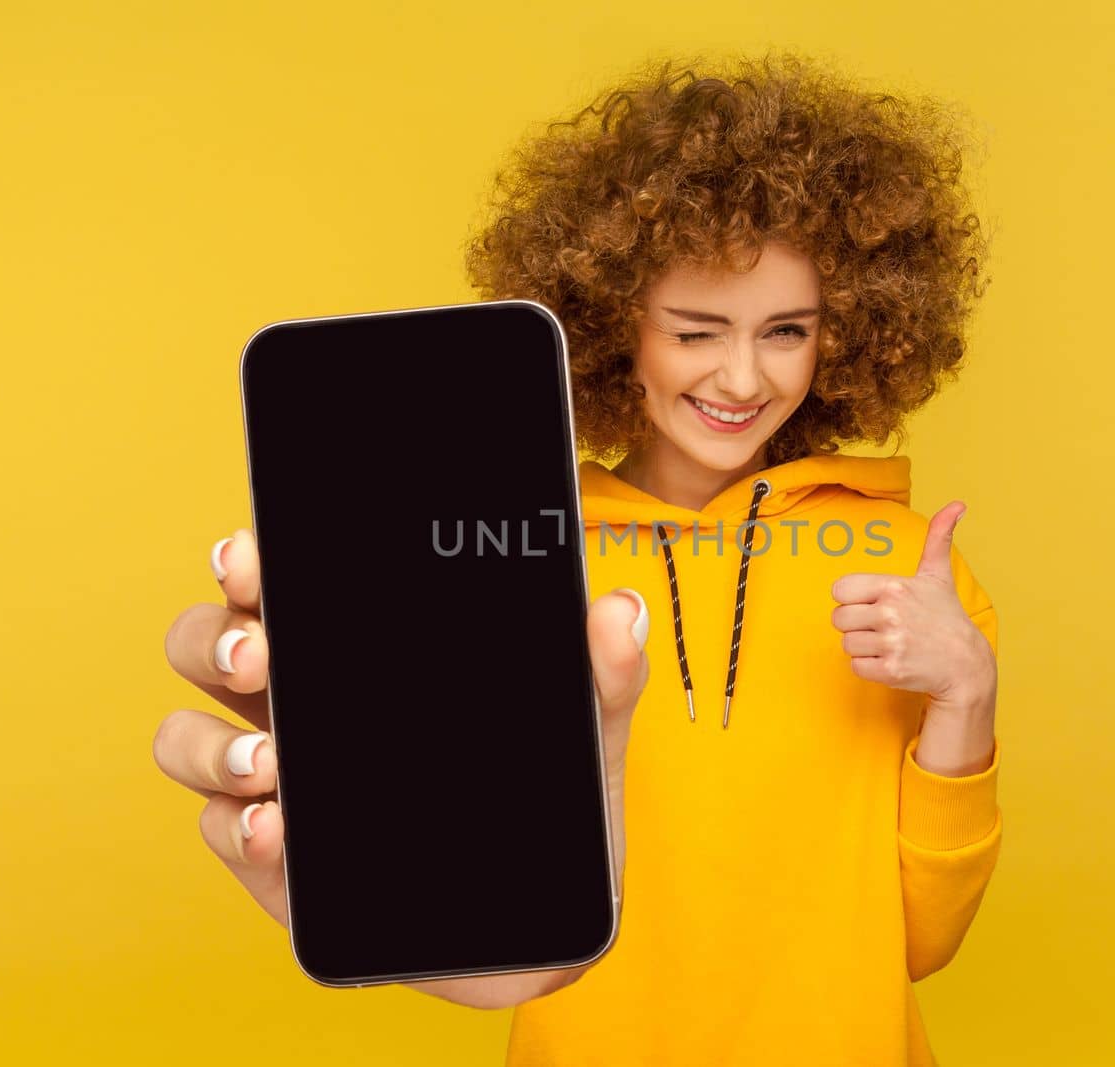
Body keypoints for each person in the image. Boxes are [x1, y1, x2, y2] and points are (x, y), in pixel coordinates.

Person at [156, 50, 1002, 1066]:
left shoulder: (910, 571)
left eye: (786, 330)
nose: (742, 374)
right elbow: (475, 896)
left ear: (846, 332)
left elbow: (922, 940)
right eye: (696, 331)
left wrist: (965, 691)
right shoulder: (508, 562)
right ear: (616, 329)